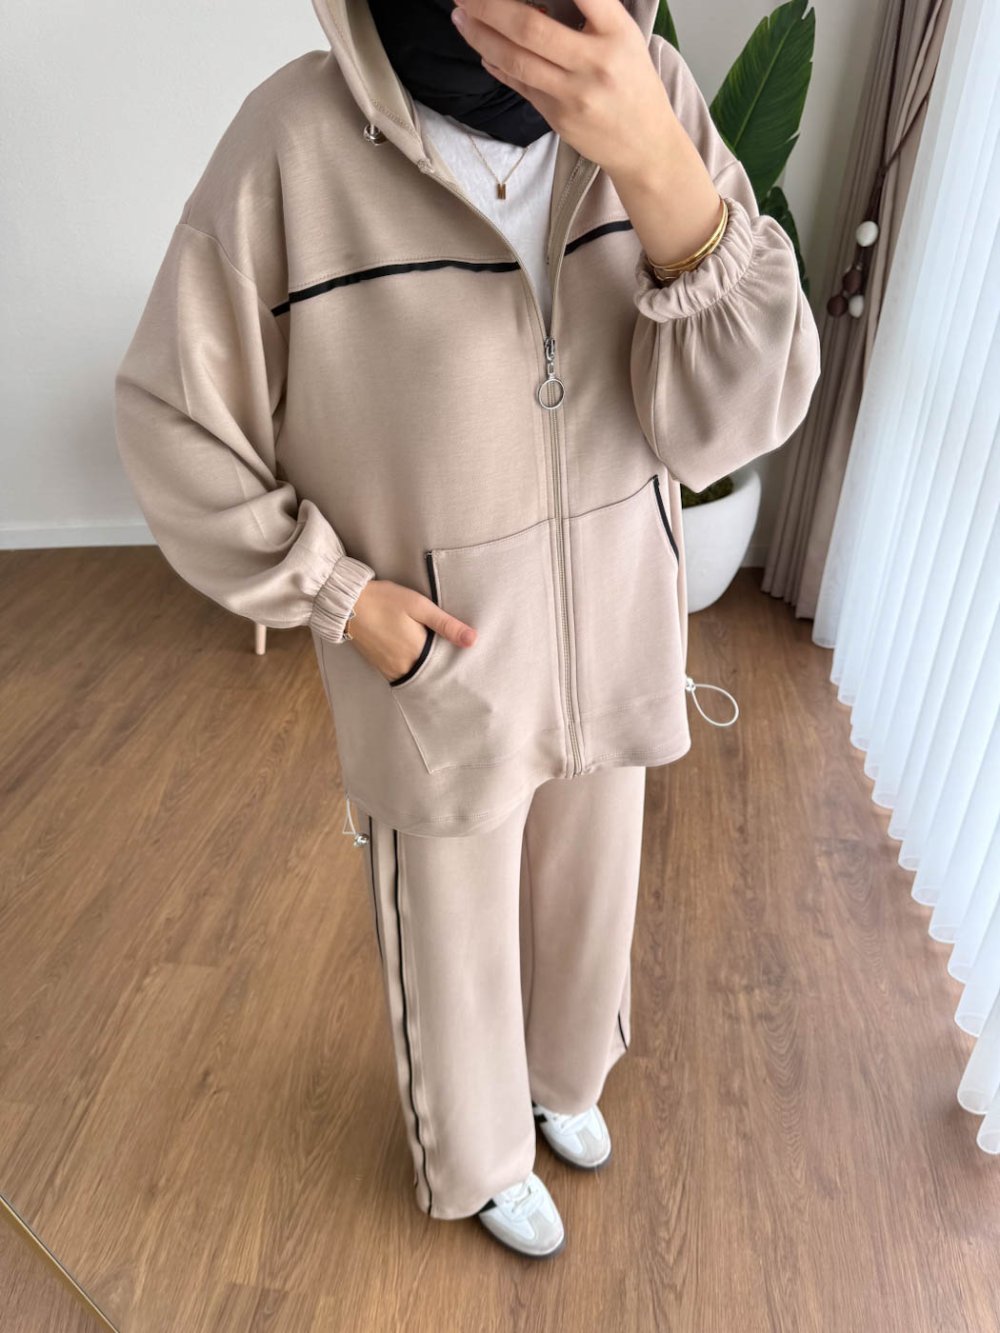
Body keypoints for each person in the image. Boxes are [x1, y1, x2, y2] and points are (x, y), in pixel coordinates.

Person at [113, 0, 821, 1259]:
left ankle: (562, 1081)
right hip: (436, 657)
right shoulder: (296, 139)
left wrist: (656, 164)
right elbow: (174, 412)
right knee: (450, 926)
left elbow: (733, 418)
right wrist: (342, 598)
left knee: (591, 889)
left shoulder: (649, 84)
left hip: (612, 620)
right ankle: (484, 1155)